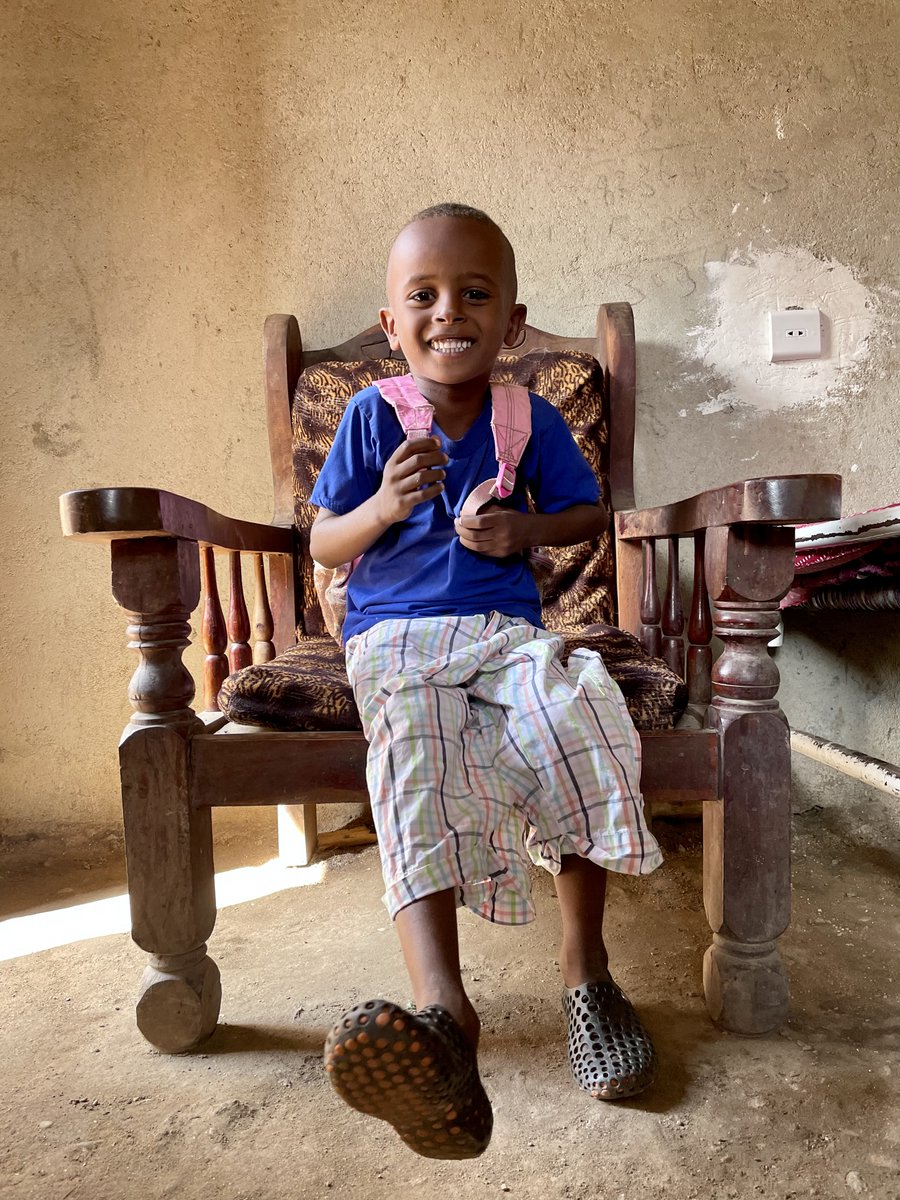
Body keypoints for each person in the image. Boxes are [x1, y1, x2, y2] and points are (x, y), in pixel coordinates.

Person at [310, 203, 661, 1161]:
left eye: (473, 293)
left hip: (503, 634)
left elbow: (586, 513)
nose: (446, 312)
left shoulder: (527, 416)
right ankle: (442, 1020)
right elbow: (323, 539)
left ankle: (586, 974)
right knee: (413, 754)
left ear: (509, 322)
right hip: (394, 638)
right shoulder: (370, 415)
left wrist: (524, 532)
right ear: (392, 325)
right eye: (421, 296)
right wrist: (384, 503)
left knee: (575, 709)